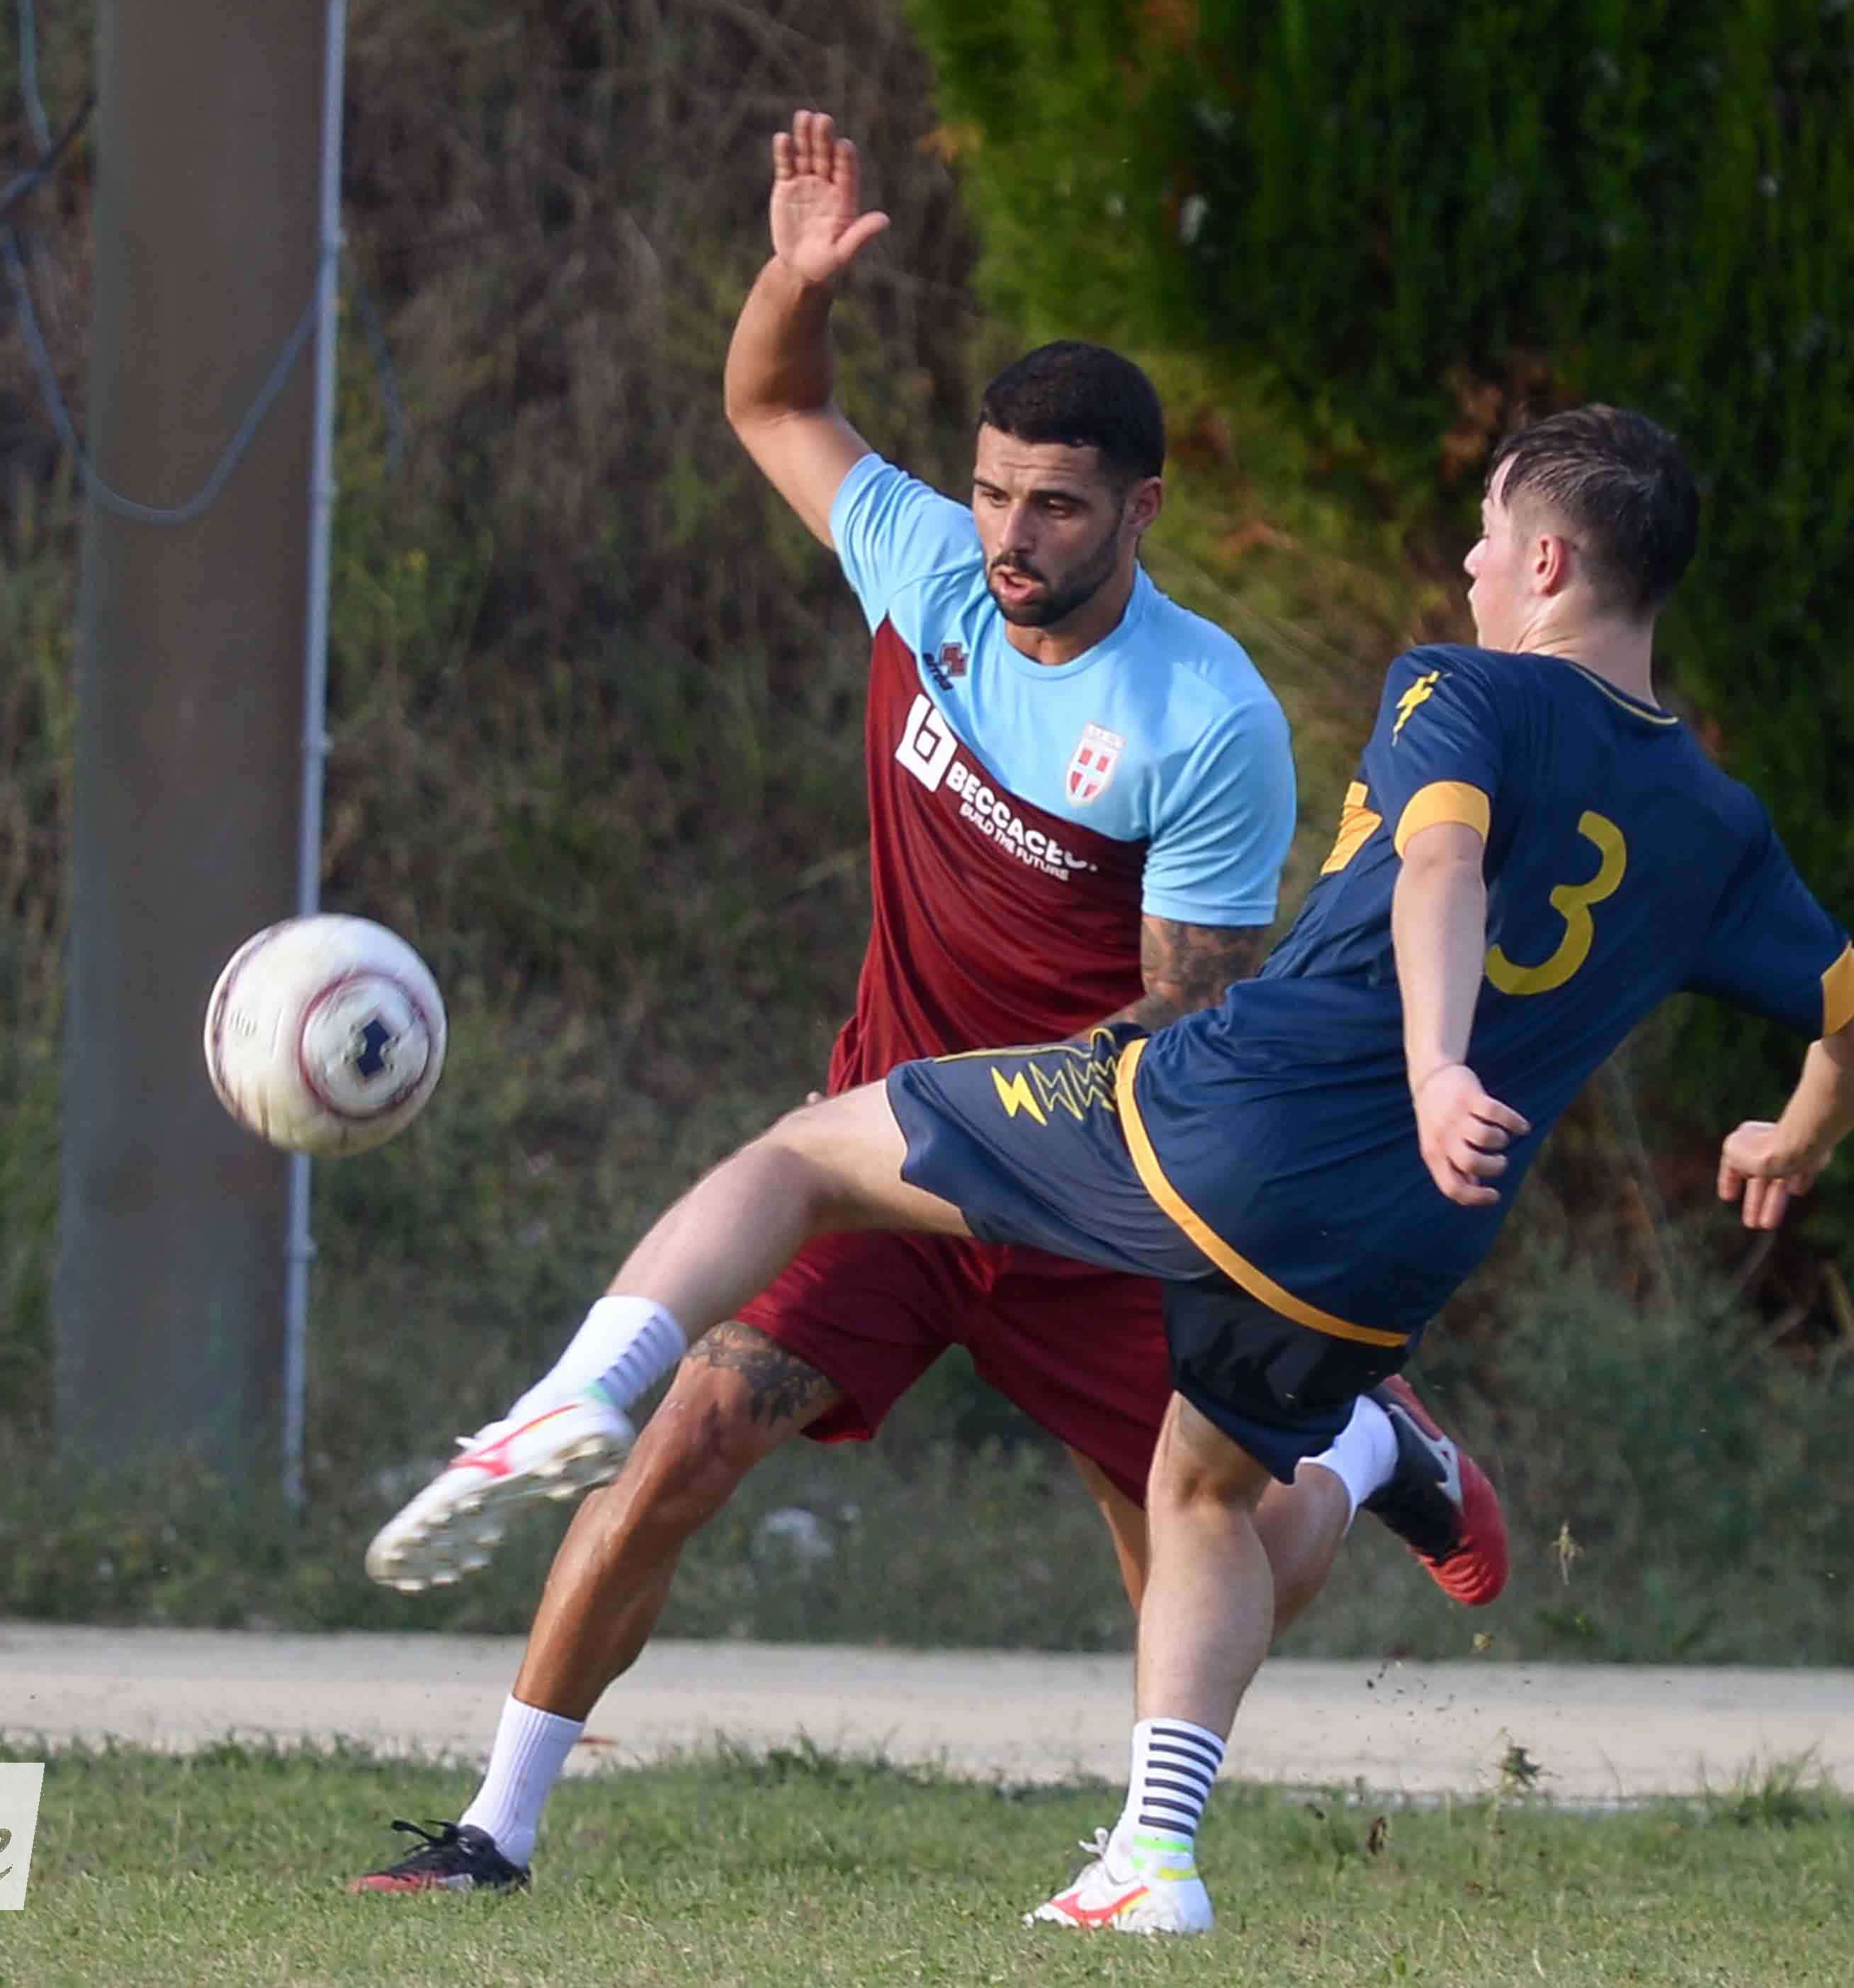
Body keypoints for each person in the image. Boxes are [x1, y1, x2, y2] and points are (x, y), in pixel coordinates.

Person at [349, 111, 1508, 1898]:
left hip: (1105, 1192)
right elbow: (770, 405)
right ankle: (493, 1831)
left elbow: (1185, 1026)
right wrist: (795, 284)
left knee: (1215, 1558)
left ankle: (1357, 1453)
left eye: (1056, 505)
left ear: (1140, 508)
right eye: (992, 492)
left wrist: (1009, 1127)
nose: (1011, 536)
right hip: (886, 1171)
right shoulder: (924, 565)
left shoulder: (1206, 719)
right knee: (684, 1442)